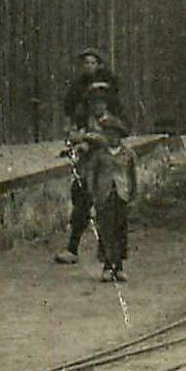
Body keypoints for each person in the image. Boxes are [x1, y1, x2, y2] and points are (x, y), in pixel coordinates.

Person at [55, 85, 110, 265]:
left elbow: (105, 140)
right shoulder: (84, 122)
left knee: (105, 211)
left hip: (104, 171)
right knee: (80, 209)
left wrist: (86, 139)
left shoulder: (110, 122)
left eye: (101, 102)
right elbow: (72, 137)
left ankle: (106, 252)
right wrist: (77, 142)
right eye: (94, 102)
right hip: (86, 170)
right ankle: (72, 248)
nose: (97, 106)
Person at [87, 114, 137, 282]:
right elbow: (91, 175)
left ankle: (120, 266)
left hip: (121, 195)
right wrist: (93, 195)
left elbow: (132, 176)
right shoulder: (100, 155)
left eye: (115, 135)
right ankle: (107, 266)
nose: (112, 138)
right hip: (105, 195)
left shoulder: (128, 154)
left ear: (120, 136)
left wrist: (132, 195)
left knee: (120, 230)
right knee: (106, 230)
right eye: (108, 135)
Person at [62, 47, 122, 129]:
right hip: (86, 114)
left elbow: (115, 88)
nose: (89, 66)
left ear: (98, 64)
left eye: (93, 63)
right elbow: (70, 101)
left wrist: (101, 86)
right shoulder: (79, 82)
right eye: (87, 63)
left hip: (107, 112)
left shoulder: (107, 76)